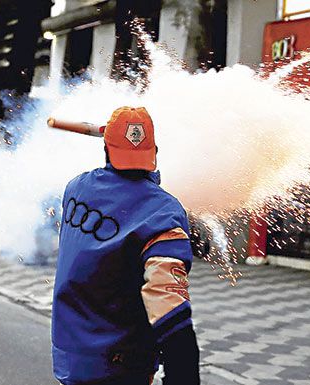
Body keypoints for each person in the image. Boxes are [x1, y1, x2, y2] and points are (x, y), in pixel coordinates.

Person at [52, 106, 200, 385]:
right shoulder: (162, 211)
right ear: (154, 152)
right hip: (121, 365)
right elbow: (168, 298)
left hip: (70, 357)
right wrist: (184, 374)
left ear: (107, 149)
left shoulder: (76, 189)